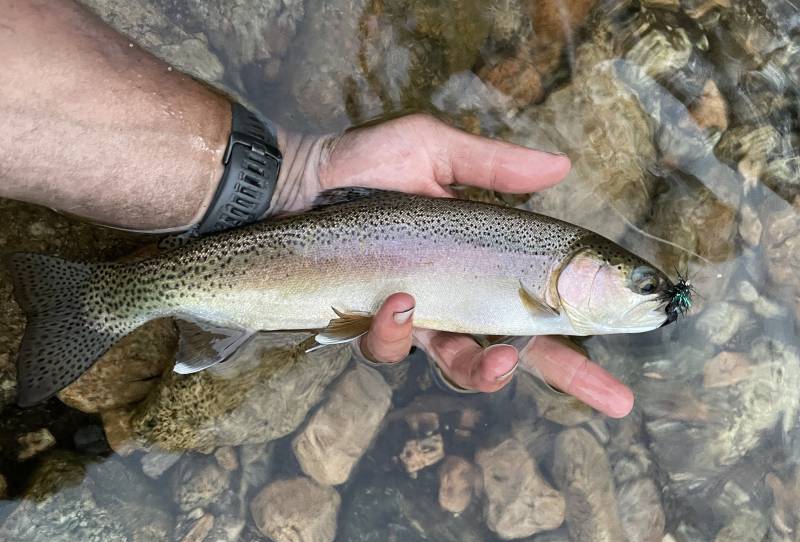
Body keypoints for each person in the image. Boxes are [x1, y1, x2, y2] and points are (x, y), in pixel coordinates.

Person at [0, 0, 634, 417]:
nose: (650, 297)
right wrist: (295, 176)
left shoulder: (542, 273)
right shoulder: (538, 274)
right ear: (586, 268)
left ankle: (112, 297)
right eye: (640, 284)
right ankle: (106, 299)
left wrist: (284, 176)